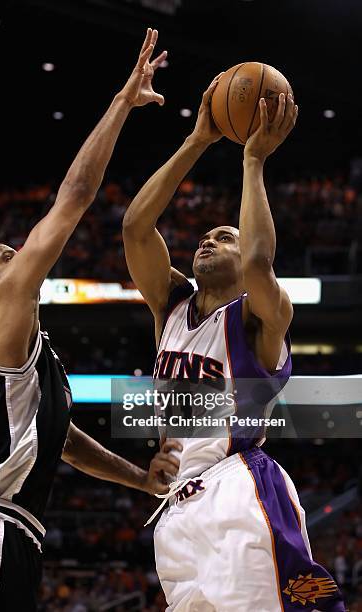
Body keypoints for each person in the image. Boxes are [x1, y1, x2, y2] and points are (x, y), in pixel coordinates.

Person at [0, 28, 179, 612]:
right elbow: (74, 197)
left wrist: (139, 479)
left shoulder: (32, 357)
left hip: (10, 536)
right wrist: (123, 101)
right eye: (9, 258)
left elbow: (64, 442)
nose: (26, 258)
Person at [122, 77, 345, 611]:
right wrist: (197, 140)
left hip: (240, 489)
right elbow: (135, 227)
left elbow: (259, 262)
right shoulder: (170, 306)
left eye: (225, 236)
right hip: (175, 511)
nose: (207, 239)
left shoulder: (260, 318)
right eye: (204, 236)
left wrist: (253, 161)